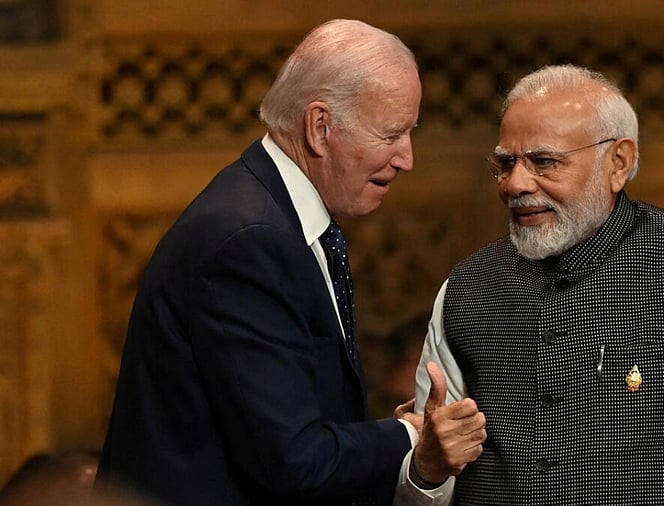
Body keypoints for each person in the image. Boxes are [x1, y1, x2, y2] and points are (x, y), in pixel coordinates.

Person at [97, 19, 482, 506]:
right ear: (320, 128)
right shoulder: (249, 240)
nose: (407, 157)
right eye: (391, 134)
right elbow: (292, 460)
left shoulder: (275, 215)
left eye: (410, 132)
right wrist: (410, 433)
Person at [396, 64, 664, 505]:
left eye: (543, 162)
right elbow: (422, 491)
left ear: (618, 163)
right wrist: (426, 470)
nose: (516, 183)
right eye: (505, 163)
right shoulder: (466, 289)